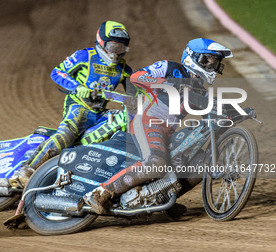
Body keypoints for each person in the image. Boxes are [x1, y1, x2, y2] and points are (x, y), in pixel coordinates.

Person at [84, 38, 235, 214]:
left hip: (167, 133)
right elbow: (136, 77)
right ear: (193, 57)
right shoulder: (170, 67)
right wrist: (166, 83)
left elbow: (211, 116)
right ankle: (100, 193)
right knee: (156, 163)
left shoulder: (199, 91)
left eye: (215, 63)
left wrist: (235, 112)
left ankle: (164, 198)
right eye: (208, 61)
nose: (212, 66)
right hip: (147, 121)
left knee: (201, 162)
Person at [9, 21, 132, 189]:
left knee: (124, 124)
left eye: (120, 48)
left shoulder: (124, 68)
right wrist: (77, 87)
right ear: (101, 42)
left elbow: (136, 90)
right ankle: (26, 170)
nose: (115, 53)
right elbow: (57, 72)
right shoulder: (85, 56)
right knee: (67, 134)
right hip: (79, 106)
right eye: (112, 46)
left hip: (100, 112)